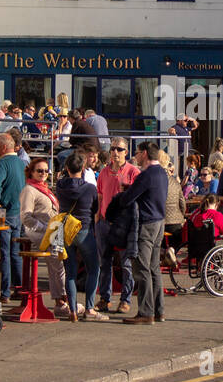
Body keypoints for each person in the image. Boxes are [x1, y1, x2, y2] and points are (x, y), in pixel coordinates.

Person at [115, 141, 168, 324]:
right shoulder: (162, 172)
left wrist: (125, 191)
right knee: (154, 268)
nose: (136, 156)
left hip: (147, 224)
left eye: (137, 153)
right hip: (160, 222)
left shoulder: (146, 175)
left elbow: (127, 199)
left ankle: (146, 312)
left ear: (144, 153)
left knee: (142, 268)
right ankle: (158, 310)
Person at [56, 154, 104, 321]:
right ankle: (89, 308)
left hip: (65, 230)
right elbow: (95, 208)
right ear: (82, 169)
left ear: (67, 168)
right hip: (84, 228)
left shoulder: (60, 185)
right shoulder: (90, 188)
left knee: (70, 271)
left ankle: (73, 310)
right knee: (93, 268)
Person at [95, 138, 140, 315]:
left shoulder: (133, 172)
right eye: (113, 149)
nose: (115, 152)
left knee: (126, 264)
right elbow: (99, 196)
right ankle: (105, 299)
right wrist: (97, 218)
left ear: (126, 152)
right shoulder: (104, 172)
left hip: (124, 224)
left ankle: (125, 300)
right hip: (105, 223)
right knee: (104, 263)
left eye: (119, 149)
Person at [20, 156, 65, 313]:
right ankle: (61, 300)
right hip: (42, 231)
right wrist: (43, 227)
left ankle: (62, 300)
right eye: (39, 171)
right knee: (57, 263)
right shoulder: (29, 190)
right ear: (31, 172)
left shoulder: (44, 188)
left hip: (55, 230)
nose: (43, 173)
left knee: (59, 264)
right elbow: (25, 216)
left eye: (46, 171)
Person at [0, 134, 25, 302]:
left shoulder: (2, 163)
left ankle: (5, 292)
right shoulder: (21, 163)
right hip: (19, 211)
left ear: (3, 147)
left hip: (3, 212)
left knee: (4, 252)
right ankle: (18, 287)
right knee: (15, 253)